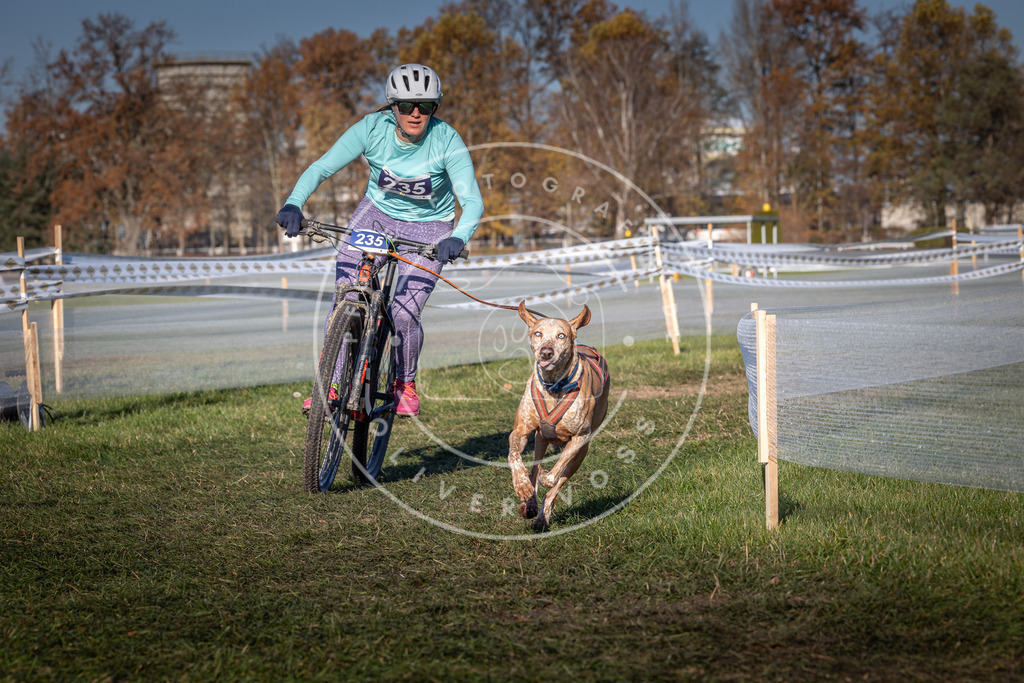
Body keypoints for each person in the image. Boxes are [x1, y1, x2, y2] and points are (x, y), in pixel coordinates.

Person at [276, 63, 483, 417]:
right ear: (392, 106)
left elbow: (473, 202)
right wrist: (295, 202)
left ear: (436, 108)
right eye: (406, 106)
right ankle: (333, 382)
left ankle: (405, 383)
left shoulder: (447, 140)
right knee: (347, 298)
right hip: (376, 217)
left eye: (426, 106)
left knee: (403, 314)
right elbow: (322, 167)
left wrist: (458, 237)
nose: (416, 114)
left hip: (430, 227)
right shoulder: (372, 129)